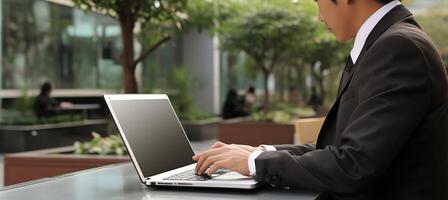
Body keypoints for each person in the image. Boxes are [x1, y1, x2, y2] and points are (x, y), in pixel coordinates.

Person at [193, 0, 448, 199]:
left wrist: (254, 163)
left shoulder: (397, 48)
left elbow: (352, 165)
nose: (319, 16)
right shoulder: (388, 42)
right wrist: (261, 153)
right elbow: (341, 148)